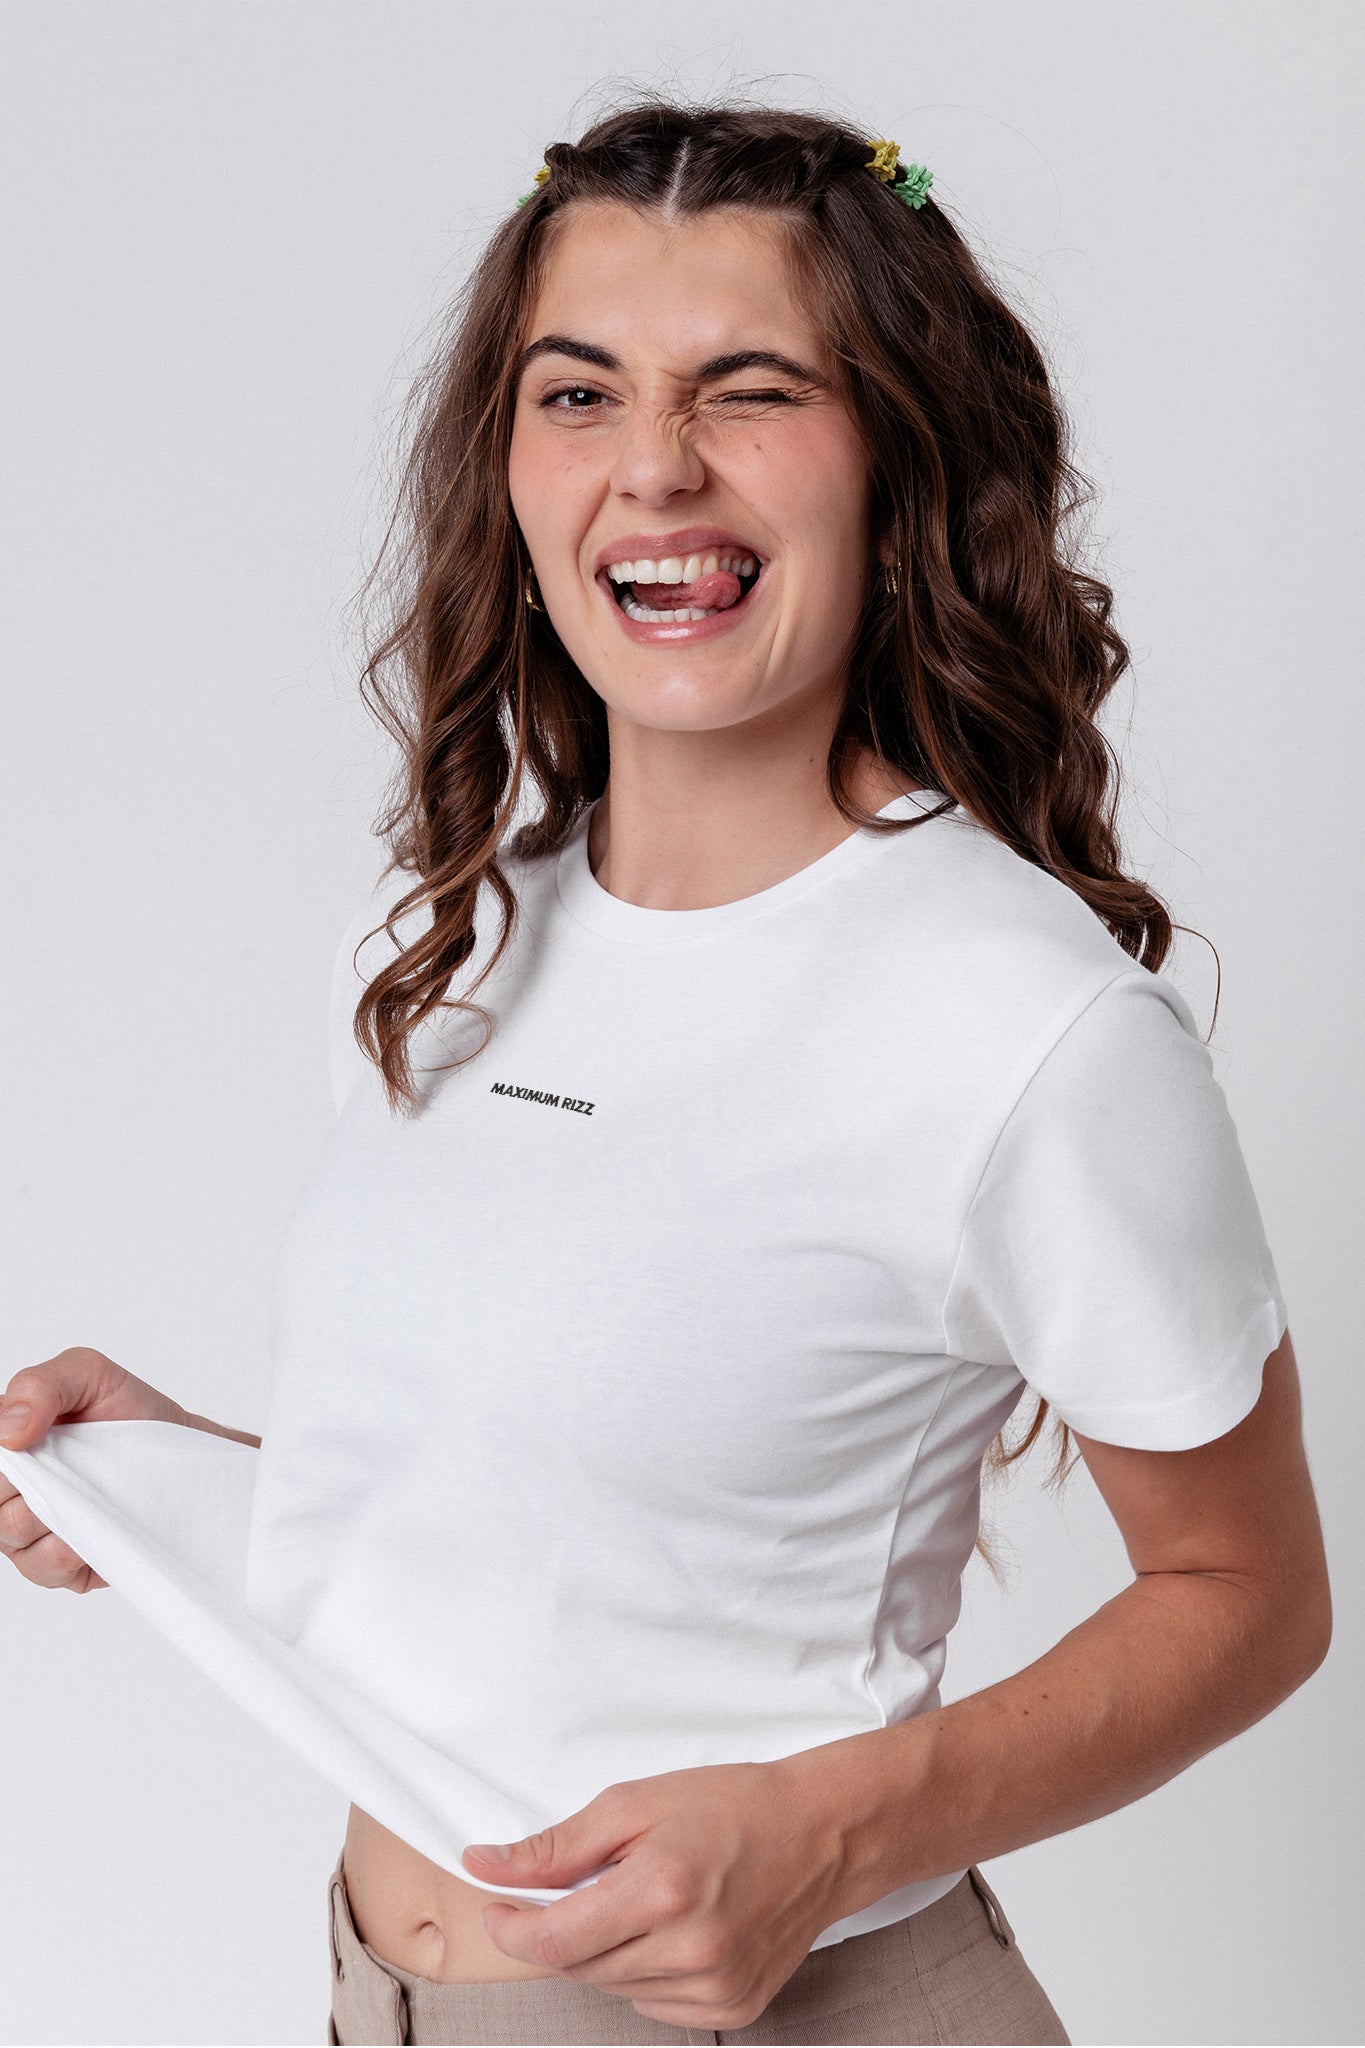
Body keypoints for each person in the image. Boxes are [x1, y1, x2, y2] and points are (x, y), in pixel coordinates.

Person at [0, 99, 1331, 2048]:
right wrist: (174, 1486)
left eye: (752, 389)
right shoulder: (453, 942)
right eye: (578, 394)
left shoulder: (1019, 1023)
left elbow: (1248, 1594)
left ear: (897, 460)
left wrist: (823, 1828)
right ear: (506, 465)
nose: (654, 467)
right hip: (381, 1996)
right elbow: (589, 1541)